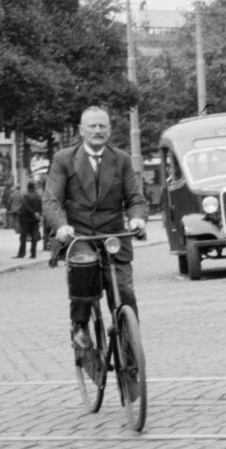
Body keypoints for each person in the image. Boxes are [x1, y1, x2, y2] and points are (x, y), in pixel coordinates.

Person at [43, 106, 148, 353]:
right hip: (78, 234)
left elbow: (135, 198)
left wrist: (137, 219)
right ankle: (79, 326)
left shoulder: (121, 159)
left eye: (102, 126)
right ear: (81, 131)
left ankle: (130, 345)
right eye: (92, 126)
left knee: (124, 290)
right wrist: (61, 226)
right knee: (84, 267)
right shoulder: (64, 159)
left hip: (113, 235)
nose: (97, 131)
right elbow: (52, 200)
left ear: (110, 130)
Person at [17, 180, 43, 259]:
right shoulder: (38, 196)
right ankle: (33, 253)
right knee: (34, 237)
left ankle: (22, 253)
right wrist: (38, 214)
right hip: (35, 220)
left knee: (23, 237)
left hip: (26, 219)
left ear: (28, 187)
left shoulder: (26, 196)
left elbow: (25, 206)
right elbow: (41, 206)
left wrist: (32, 213)